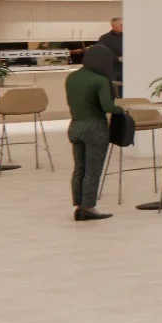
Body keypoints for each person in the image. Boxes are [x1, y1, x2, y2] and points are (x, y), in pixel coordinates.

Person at [66, 40, 118, 222]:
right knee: (93, 169)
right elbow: (107, 106)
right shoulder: (100, 80)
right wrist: (123, 109)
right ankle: (89, 207)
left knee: (79, 168)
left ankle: (78, 206)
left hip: (75, 126)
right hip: (95, 127)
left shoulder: (72, 77)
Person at [95, 16, 123, 92]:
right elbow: (101, 54)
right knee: (113, 91)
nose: (123, 27)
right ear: (113, 26)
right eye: (121, 25)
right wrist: (117, 58)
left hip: (127, 69)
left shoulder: (129, 36)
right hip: (112, 69)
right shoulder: (104, 38)